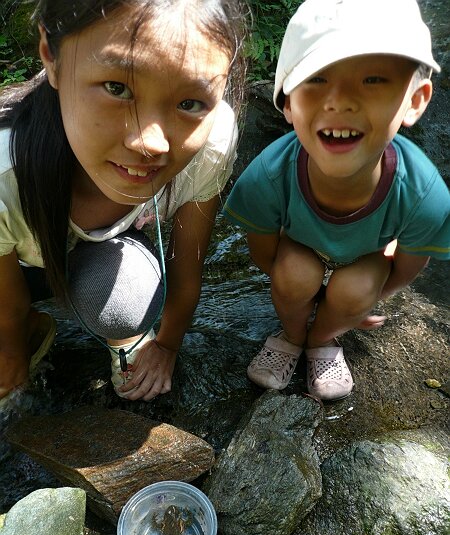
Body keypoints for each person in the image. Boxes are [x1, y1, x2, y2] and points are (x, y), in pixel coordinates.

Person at [0, 0, 248, 402]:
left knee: (122, 298)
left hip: (105, 254)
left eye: (189, 103)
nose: (149, 142)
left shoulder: (211, 143)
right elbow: (5, 299)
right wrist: (11, 351)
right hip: (18, 259)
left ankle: (127, 337)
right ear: (52, 57)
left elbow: (188, 265)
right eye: (118, 88)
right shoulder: (5, 173)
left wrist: (167, 345)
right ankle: (32, 328)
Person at [223, 0, 450, 401]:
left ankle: (322, 338)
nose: (340, 101)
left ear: (415, 100)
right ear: (288, 103)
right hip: (299, 248)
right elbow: (264, 254)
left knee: (355, 289)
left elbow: (408, 268)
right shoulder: (269, 174)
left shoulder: (424, 193)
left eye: (374, 79)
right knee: (293, 274)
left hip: (367, 257)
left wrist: (358, 304)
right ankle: (293, 334)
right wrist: (299, 295)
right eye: (317, 78)